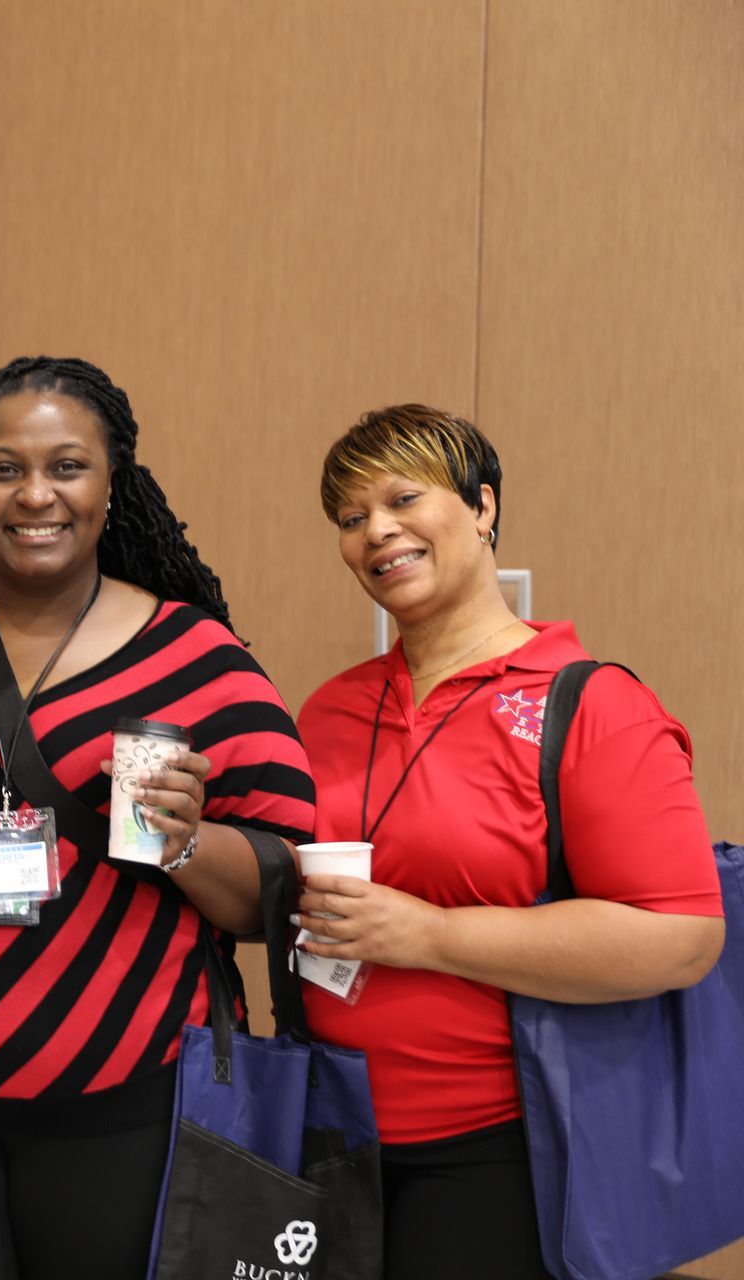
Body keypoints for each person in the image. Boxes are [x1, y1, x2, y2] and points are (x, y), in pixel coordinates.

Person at [0, 355, 316, 1279]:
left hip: (128, 1109)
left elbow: (279, 889)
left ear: (112, 482)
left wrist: (184, 839)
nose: (36, 494)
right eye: (5, 468)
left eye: (67, 466)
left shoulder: (195, 658)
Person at [296, 405, 724, 1279]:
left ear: (484, 507)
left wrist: (430, 935)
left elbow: (682, 937)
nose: (377, 531)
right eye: (350, 517)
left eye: (403, 498)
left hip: (508, 1149)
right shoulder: (330, 709)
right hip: (329, 1135)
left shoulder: (591, 705)